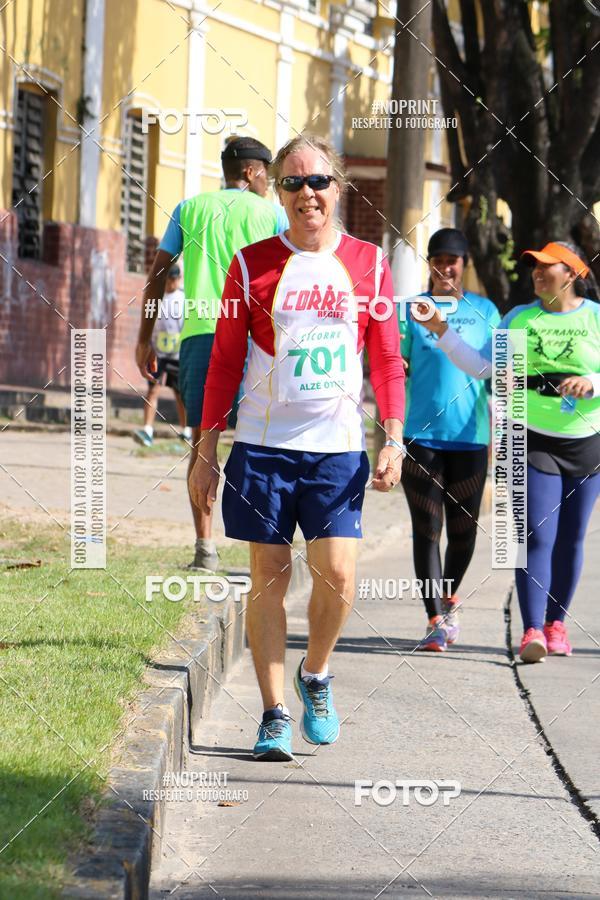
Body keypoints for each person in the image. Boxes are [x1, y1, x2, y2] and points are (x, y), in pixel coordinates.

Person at [190, 134, 406, 760]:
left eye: (318, 181)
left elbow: (388, 360)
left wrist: (393, 437)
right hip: (263, 445)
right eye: (293, 183)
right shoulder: (251, 263)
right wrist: (206, 452)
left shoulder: (368, 263)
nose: (308, 193)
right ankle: (274, 712)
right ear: (277, 191)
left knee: (338, 574)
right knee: (268, 577)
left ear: (338, 187)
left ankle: (315, 673)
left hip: (337, 448)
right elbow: (224, 364)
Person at [415, 241, 600, 663]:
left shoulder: (595, 318)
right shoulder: (520, 318)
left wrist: (592, 381)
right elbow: (484, 367)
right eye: (533, 266)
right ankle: (532, 630)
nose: (536, 273)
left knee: (571, 539)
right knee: (536, 534)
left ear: (572, 273)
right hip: (532, 437)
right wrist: (444, 333)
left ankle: (557, 624)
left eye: (546, 267)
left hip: (587, 439)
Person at [135, 136, 288, 571]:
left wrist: (144, 336)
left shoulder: (189, 208)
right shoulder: (274, 214)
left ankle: (205, 549)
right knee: (264, 442)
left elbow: (158, 274)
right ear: (251, 172)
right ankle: (266, 544)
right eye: (267, 175)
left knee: (204, 446)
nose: (270, 183)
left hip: (200, 336)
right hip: (259, 342)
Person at [399, 228, 500, 652]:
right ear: (429, 262)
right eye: (437, 257)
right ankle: (435, 618)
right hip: (421, 435)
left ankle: (449, 598)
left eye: (453, 259)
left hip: (471, 437)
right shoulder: (410, 310)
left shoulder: (487, 311)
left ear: (465, 263)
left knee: (464, 534)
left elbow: (497, 373)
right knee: (427, 530)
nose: (445, 266)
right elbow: (393, 364)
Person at [133, 264, 190, 447]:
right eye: (168, 279)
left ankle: (186, 430)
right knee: (153, 390)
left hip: (177, 355)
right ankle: (147, 430)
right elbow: (148, 325)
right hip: (157, 354)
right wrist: (146, 345)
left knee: (180, 394)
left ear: (178, 279)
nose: (171, 283)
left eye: (174, 279)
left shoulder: (183, 300)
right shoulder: (156, 299)